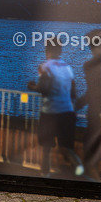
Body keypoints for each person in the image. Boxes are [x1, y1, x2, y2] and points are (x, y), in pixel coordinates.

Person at [27, 38, 84, 177]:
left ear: (47, 50)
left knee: (46, 147)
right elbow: (73, 92)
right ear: (60, 50)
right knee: (67, 147)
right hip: (67, 112)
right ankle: (80, 168)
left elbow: (43, 88)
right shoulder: (67, 67)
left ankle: (44, 174)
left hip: (50, 113)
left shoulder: (45, 66)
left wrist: (32, 86)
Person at [74, 29, 101, 181]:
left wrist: (75, 106)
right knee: (89, 151)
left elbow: (90, 94)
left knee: (90, 153)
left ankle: (94, 179)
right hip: (96, 115)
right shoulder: (91, 67)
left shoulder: (90, 66)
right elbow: (91, 93)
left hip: (97, 116)